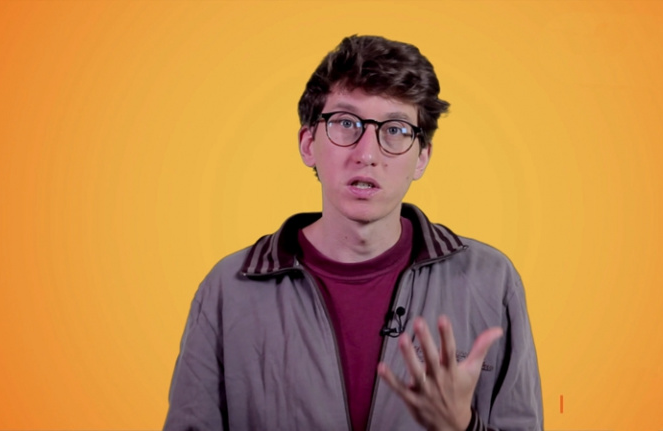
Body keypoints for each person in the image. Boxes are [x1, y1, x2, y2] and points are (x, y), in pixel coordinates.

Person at [164, 35, 543, 431]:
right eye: (346, 123)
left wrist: (463, 427)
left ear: (422, 157)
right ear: (308, 144)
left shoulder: (490, 281)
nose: (367, 153)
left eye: (395, 129)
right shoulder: (229, 288)